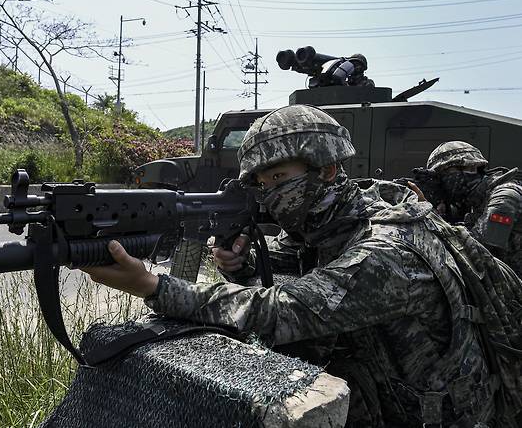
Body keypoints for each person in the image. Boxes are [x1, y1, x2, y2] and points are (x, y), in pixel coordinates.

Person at [84, 105, 501, 427]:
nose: (269, 193)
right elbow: (285, 272)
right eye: (261, 184)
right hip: (382, 395)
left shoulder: (387, 249)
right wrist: (240, 267)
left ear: (329, 170)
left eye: (279, 177)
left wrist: (154, 285)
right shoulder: (330, 227)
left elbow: (285, 310)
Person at [426, 141, 522, 277]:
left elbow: (480, 249)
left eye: (444, 175)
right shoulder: (473, 202)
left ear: (471, 168)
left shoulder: (505, 196)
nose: (442, 182)